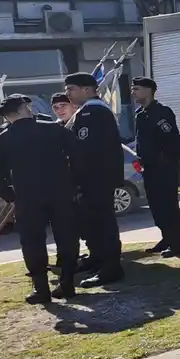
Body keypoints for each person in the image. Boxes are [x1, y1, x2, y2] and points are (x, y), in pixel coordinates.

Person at [0, 94, 80, 304]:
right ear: (21, 110)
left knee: (32, 242)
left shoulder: (3, 139)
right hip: (61, 192)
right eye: (27, 106)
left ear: (6, 117)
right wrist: (74, 183)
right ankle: (67, 283)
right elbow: (78, 155)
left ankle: (41, 289)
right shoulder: (53, 129)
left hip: (27, 197)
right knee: (67, 238)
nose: (30, 108)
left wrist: (9, 195)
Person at [62, 72, 125, 288]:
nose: (67, 94)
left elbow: (86, 150)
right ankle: (97, 259)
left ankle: (110, 267)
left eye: (71, 89)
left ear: (87, 90)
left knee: (102, 224)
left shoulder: (94, 112)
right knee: (92, 223)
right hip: (91, 179)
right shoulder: (86, 112)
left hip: (97, 178)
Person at [129, 77, 180, 258]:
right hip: (149, 168)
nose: (133, 92)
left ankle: (177, 244)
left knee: (168, 206)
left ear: (148, 91)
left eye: (136, 89)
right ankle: (166, 238)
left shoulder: (162, 112)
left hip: (164, 167)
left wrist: (167, 161)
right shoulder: (140, 114)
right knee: (156, 206)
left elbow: (171, 139)